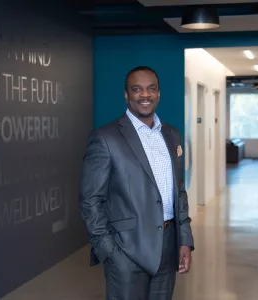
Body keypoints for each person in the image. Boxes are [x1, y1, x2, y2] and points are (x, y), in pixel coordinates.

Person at [79, 66, 195, 300]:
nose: (145, 95)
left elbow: (179, 192)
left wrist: (184, 239)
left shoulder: (172, 135)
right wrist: (108, 251)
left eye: (151, 89)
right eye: (137, 89)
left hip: (168, 246)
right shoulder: (105, 138)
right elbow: (91, 200)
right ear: (126, 94)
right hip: (125, 250)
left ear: (159, 93)